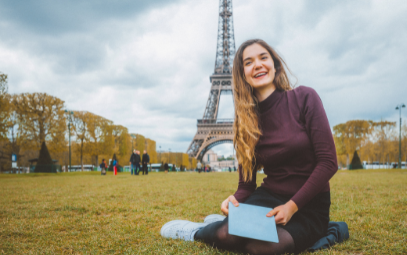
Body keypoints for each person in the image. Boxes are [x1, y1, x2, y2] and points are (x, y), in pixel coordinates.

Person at [161, 39, 342, 254]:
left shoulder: (304, 97)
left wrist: (291, 206)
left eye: (263, 58)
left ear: (275, 65)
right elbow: (247, 186)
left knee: (263, 248)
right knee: (225, 234)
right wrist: (234, 200)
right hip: (269, 196)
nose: (257, 65)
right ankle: (197, 231)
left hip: (309, 204)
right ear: (242, 74)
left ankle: (229, 224)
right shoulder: (245, 123)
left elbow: (328, 162)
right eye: (248, 62)